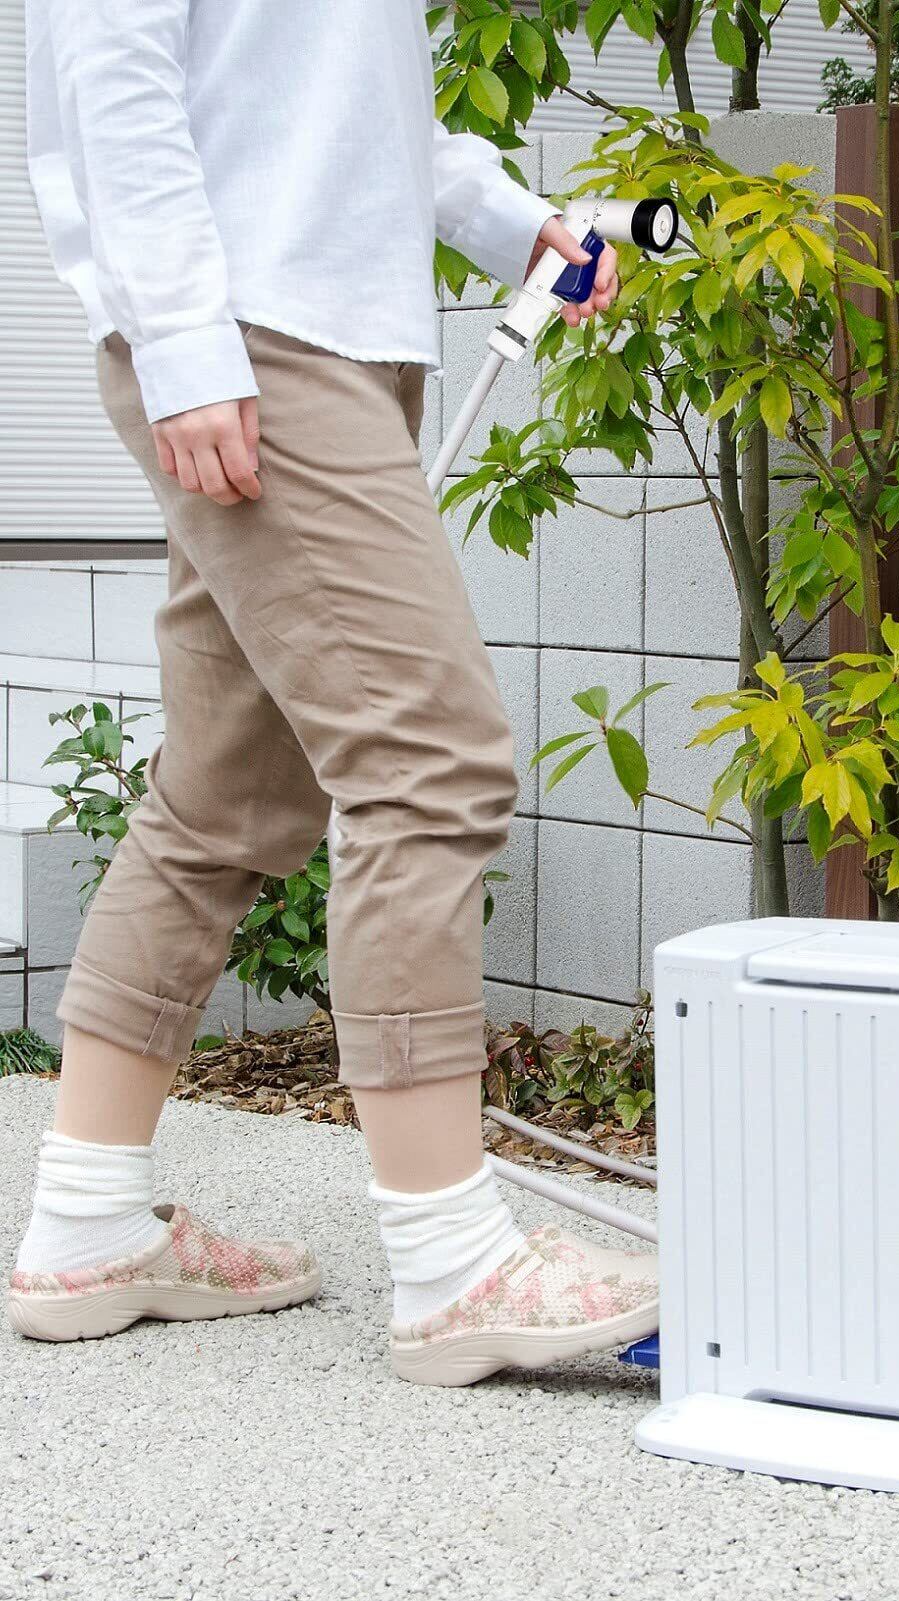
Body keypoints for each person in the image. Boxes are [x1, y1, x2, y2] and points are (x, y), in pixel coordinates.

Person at [6, 0, 658, 1387]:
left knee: (223, 794)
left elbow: (340, 104)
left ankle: (88, 1224)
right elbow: (111, 67)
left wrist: (507, 220)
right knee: (430, 766)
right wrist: (184, 343)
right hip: (253, 341)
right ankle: (452, 1260)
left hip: (318, 338)